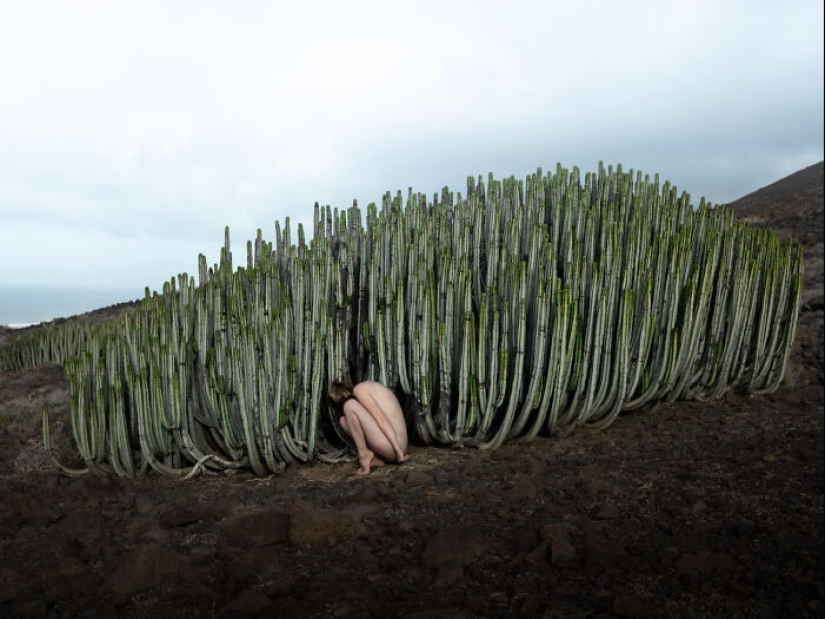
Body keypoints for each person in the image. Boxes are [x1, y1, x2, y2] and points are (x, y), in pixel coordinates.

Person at [328, 380, 411, 475]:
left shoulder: (360, 390)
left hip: (396, 445)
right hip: (388, 449)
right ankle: (374, 458)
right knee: (343, 421)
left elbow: (381, 419)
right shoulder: (366, 390)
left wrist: (399, 453)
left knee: (349, 405)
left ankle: (364, 456)